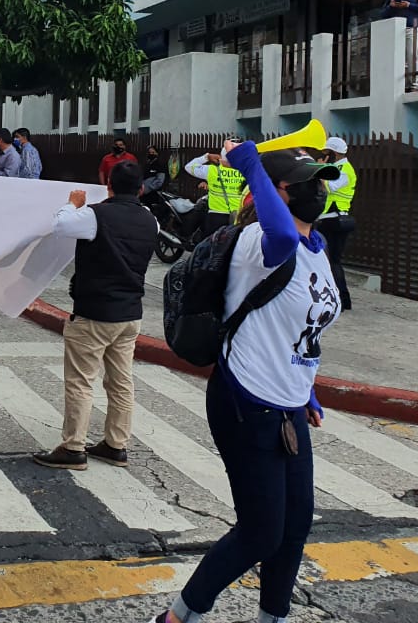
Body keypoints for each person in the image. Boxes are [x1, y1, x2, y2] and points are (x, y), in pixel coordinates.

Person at [149, 142, 342, 623]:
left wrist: (309, 389)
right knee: (260, 531)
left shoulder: (316, 249)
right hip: (246, 399)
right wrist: (249, 162)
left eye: (320, 179)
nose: (318, 188)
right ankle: (177, 618)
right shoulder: (262, 240)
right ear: (279, 192)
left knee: (294, 524)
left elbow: (304, 328)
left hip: (289, 403)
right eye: (304, 182)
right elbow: (277, 228)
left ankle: (272, 617)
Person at [34, 161, 158, 470]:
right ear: (141, 189)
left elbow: (61, 226)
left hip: (95, 312)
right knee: (121, 382)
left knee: (80, 381)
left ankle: (73, 447)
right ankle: (116, 445)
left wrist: (71, 204)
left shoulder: (95, 215)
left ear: (109, 187)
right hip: (130, 314)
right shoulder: (150, 220)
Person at [316, 137, 357, 312]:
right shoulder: (336, 167)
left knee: (333, 260)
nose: (325, 155)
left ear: (335, 153)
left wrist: (320, 170)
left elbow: (331, 187)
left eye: (327, 152)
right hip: (327, 219)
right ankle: (334, 296)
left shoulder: (346, 170)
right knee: (326, 259)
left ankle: (342, 299)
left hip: (336, 219)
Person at [185, 151, 245, 237]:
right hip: (237, 217)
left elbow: (189, 167)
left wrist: (207, 157)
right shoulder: (246, 172)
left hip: (215, 217)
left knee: (213, 246)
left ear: (221, 157)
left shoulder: (212, 170)